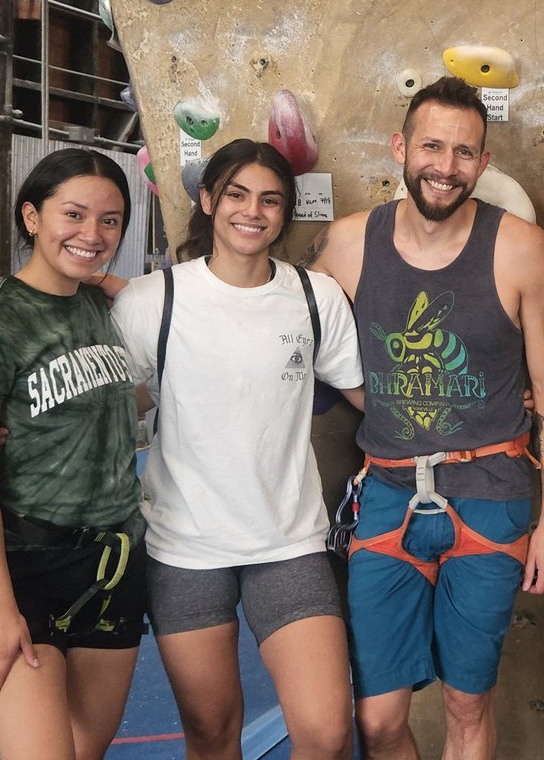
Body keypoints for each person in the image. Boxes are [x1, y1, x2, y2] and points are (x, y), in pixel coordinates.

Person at [305, 76, 544, 760]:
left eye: (463, 153)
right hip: (389, 493)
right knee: (380, 722)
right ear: (400, 147)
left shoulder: (521, 250)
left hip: (491, 497)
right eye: (431, 146)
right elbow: (285, 336)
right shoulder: (348, 246)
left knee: (465, 707)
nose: (445, 167)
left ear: (483, 164)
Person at [108, 140, 363, 760]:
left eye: (270, 199)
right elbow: (113, 409)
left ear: (285, 213)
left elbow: (371, 398)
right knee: (212, 735)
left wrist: (479, 414)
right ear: (207, 201)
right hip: (186, 548)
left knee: (327, 734)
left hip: (289, 541)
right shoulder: (150, 301)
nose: (254, 211)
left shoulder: (315, 298)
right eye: (237, 195)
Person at [0, 148, 145, 760]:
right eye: (74, 215)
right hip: (22, 567)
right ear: (32, 216)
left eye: (110, 221)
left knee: (85, 751)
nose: (92, 234)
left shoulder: (100, 306)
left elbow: (112, 402)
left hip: (112, 565)